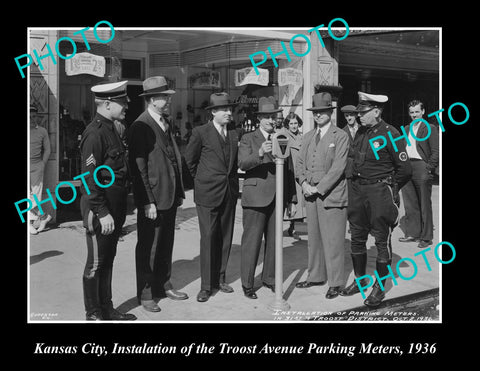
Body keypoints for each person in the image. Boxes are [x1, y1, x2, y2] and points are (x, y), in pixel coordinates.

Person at [340, 91, 412, 308]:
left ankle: (379, 287)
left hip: (380, 192)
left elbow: (405, 169)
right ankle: (360, 280)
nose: (359, 116)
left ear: (377, 111)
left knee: (381, 241)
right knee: (357, 238)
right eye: (359, 112)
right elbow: (353, 160)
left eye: (363, 112)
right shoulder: (360, 132)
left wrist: (389, 187)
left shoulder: (391, 133)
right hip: (358, 192)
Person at [127, 76, 188, 313]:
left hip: (169, 195)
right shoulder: (140, 126)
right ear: (152, 100)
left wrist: (180, 191)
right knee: (148, 247)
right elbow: (138, 168)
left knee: (165, 244)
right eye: (165, 97)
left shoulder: (165, 121)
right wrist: (146, 201)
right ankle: (146, 294)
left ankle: (164, 284)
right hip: (153, 198)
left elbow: (173, 157)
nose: (169, 100)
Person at [79, 80, 136, 321]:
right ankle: (93, 313)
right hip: (99, 208)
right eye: (123, 102)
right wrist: (102, 211)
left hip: (115, 205)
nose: (127, 106)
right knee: (96, 261)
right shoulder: (94, 133)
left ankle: (107, 308)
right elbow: (88, 177)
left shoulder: (113, 128)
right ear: (108, 104)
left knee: (108, 258)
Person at [238, 96, 297, 299]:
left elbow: (289, 170)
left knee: (274, 242)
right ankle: (247, 283)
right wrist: (261, 153)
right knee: (251, 242)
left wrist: (291, 199)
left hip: (277, 197)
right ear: (259, 118)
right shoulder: (248, 138)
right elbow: (243, 164)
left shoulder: (283, 136)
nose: (272, 120)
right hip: (255, 197)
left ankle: (270, 278)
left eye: (274, 117)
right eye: (267, 117)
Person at [185, 92, 240, 303]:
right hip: (207, 194)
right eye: (225, 110)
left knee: (225, 237)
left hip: (229, 193)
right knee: (208, 238)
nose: (229, 113)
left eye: (230, 109)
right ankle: (206, 286)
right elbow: (189, 162)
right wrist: (201, 181)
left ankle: (220, 278)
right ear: (213, 112)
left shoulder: (234, 133)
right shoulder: (200, 132)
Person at [295, 92, 349, 299]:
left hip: (332, 195)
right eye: (316, 112)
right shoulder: (308, 136)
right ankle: (316, 276)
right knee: (314, 239)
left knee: (334, 240)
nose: (318, 115)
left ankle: (335, 282)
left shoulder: (340, 136)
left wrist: (319, 187)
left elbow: (339, 167)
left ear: (330, 112)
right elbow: (299, 164)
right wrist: (304, 183)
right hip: (311, 195)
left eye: (323, 111)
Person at [399, 100, 438, 248]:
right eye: (412, 112)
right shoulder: (407, 128)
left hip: (422, 166)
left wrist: (429, 167)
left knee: (424, 203)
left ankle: (426, 237)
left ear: (423, 111)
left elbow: (436, 151)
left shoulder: (430, 128)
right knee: (410, 203)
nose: (414, 115)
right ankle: (413, 233)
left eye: (417, 112)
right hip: (408, 166)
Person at [29, 104, 51, 235]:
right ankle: (44, 217)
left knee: (35, 195)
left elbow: (48, 149)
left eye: (34, 116)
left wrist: (43, 163)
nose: (32, 119)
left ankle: (31, 223)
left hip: (37, 166)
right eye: (29, 116)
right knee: (29, 196)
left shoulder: (42, 131)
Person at [283, 112, 306, 237]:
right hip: (289, 171)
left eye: (296, 123)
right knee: (291, 197)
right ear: (287, 124)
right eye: (291, 123)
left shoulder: (302, 136)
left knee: (298, 199)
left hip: (299, 170)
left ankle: (293, 225)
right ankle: (290, 224)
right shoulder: (284, 135)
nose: (294, 126)